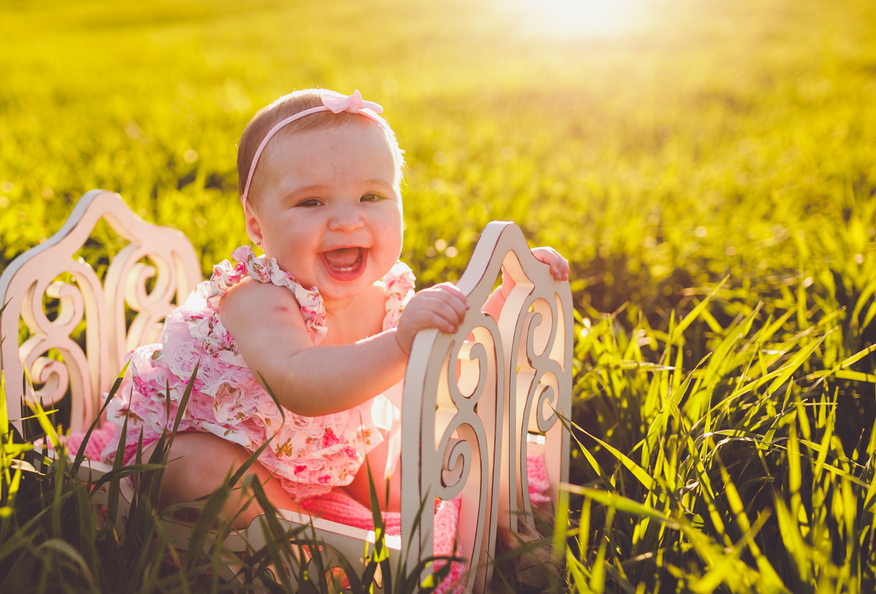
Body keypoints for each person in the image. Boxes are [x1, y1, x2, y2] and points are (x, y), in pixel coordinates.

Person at [88, 88, 569, 532]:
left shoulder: (385, 297)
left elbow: (447, 370)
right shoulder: (258, 298)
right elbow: (300, 384)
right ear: (257, 226)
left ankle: (440, 521)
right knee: (196, 467)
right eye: (311, 201)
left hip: (324, 454)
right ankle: (299, 533)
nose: (346, 219)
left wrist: (503, 300)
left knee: (396, 482)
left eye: (371, 196)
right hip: (225, 443)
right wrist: (400, 342)